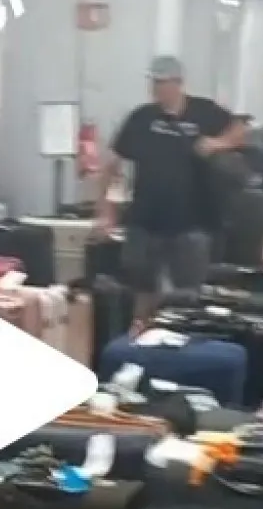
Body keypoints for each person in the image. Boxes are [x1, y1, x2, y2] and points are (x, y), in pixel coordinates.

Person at [93, 55, 247, 331]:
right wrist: (106, 212)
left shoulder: (204, 112)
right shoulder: (142, 118)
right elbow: (113, 165)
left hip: (191, 223)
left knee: (187, 294)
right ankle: (139, 336)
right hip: (145, 221)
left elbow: (240, 131)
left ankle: (181, 340)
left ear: (179, 84)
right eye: (155, 83)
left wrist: (216, 143)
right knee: (141, 289)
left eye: (164, 83)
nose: (159, 90)